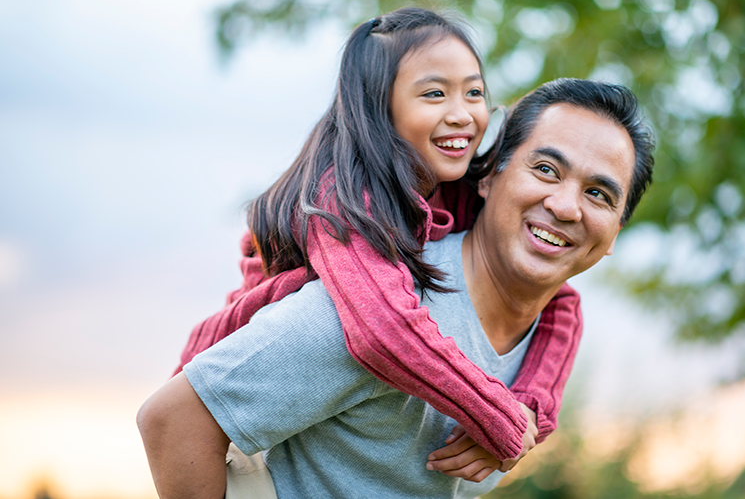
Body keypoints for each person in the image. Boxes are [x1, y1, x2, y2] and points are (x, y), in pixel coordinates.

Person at [138, 78, 656, 499]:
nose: (566, 207)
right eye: (545, 169)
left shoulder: (547, 334)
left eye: (598, 194)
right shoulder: (378, 302)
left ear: (613, 235)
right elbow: (172, 419)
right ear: (488, 176)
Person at [173, 7, 582, 461]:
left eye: (474, 92)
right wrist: (493, 414)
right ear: (379, 107)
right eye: (433, 94)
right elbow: (383, 328)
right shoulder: (339, 199)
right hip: (230, 423)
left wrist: (530, 409)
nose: (462, 114)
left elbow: (561, 302)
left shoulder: (456, 187)